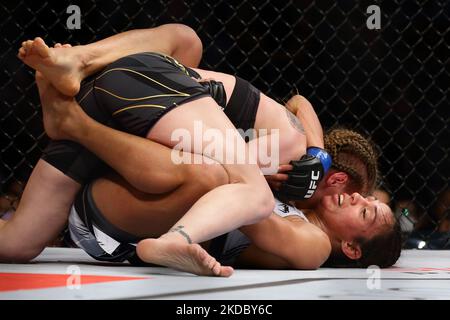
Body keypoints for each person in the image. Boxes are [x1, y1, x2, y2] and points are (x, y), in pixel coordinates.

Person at [3, 24, 330, 270]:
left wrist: (262, 171)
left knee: (18, 243)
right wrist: (318, 153)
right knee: (188, 41)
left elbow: (263, 220)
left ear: (353, 247)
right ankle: (77, 76)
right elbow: (300, 105)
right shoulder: (288, 142)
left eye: (366, 209)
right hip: (142, 86)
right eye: (341, 180)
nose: (351, 193)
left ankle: (74, 113)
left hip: (121, 139)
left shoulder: (311, 238)